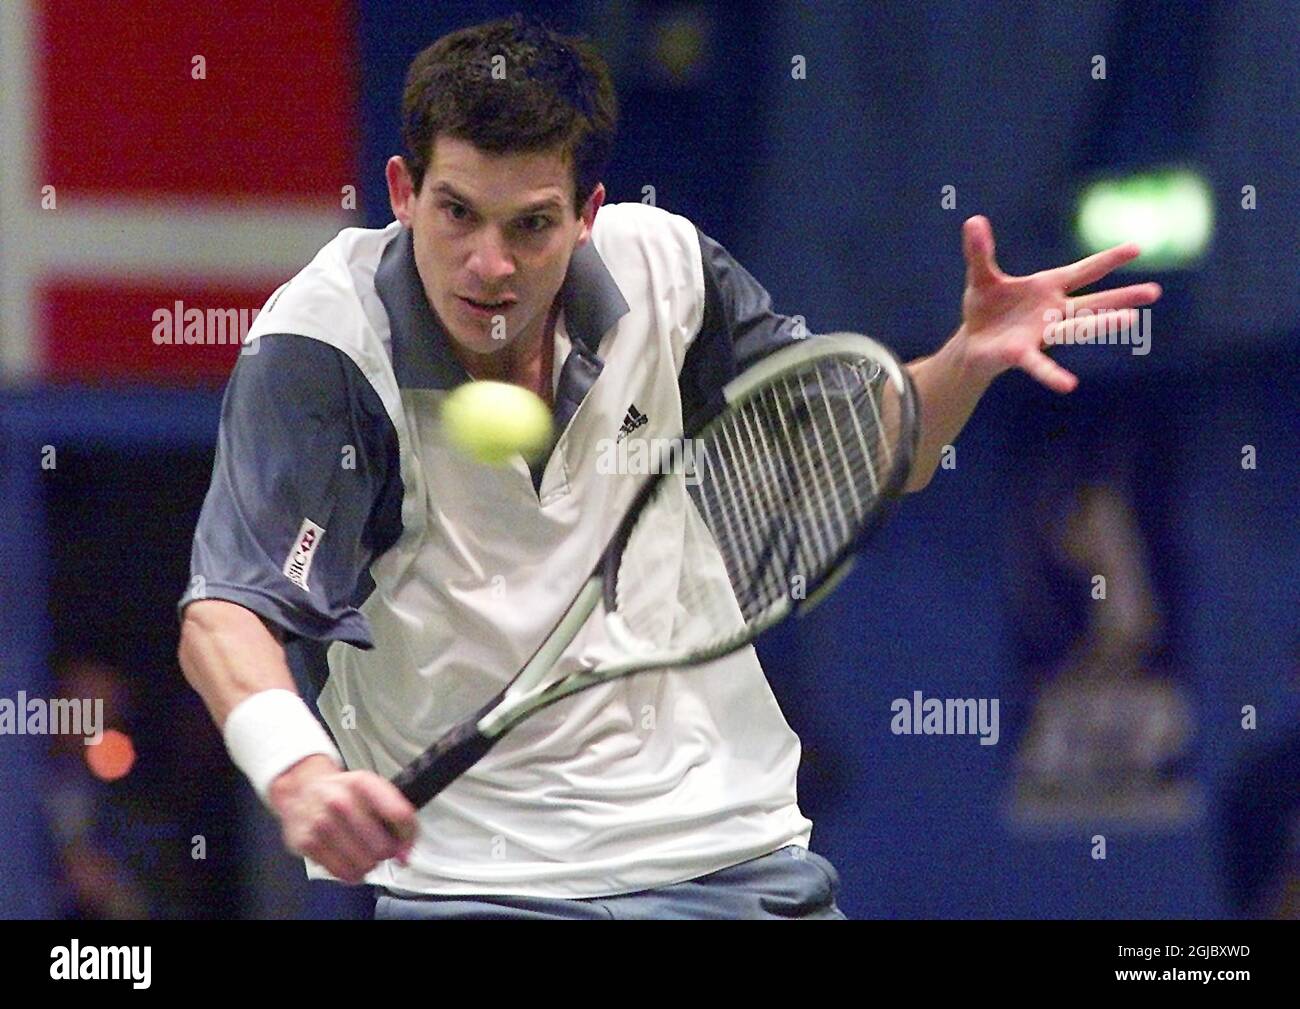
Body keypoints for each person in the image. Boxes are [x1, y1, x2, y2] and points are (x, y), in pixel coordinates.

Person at [177, 14, 1161, 920]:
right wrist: (300, 773)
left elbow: (868, 450)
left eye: (530, 223)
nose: (489, 264)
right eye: (456, 213)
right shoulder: (324, 347)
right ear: (401, 190)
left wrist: (961, 364)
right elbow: (228, 610)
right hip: (477, 881)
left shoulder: (671, 271)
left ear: (588, 211)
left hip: (726, 854)